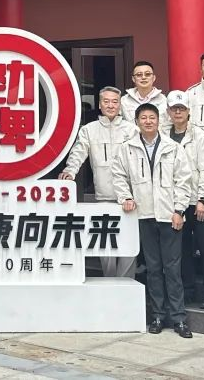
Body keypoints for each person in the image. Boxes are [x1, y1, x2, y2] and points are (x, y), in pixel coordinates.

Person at [110, 103, 193, 338]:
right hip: (144, 215)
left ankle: (178, 318)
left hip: (169, 216)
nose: (148, 121)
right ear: (137, 122)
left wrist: (179, 210)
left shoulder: (172, 147)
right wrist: (126, 197)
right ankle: (157, 315)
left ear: (159, 121)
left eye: (152, 117)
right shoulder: (127, 148)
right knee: (154, 268)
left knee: (172, 269)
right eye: (143, 118)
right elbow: (119, 175)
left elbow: (183, 180)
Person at [58, 86, 137, 277]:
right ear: (100, 105)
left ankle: (126, 283)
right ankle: (109, 282)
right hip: (104, 195)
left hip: (129, 196)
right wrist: (70, 171)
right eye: (106, 101)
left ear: (120, 105)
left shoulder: (132, 130)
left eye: (115, 102)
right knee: (105, 243)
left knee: (129, 243)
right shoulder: (89, 130)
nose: (110, 105)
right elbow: (79, 152)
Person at [165, 91, 204, 309]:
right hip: (175, 202)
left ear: (189, 111)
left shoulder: (200, 135)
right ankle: (187, 291)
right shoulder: (163, 134)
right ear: (168, 112)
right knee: (182, 249)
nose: (178, 112)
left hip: (198, 201)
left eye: (182, 108)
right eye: (174, 109)